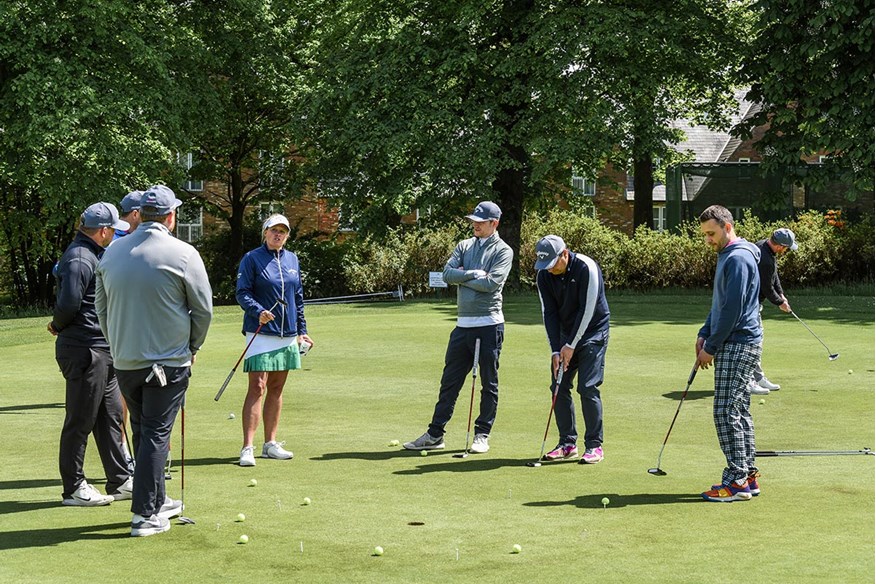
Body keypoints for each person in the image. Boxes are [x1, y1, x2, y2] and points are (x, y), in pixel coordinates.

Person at [96, 185, 213, 536]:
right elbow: (203, 310)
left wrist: (117, 345)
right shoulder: (183, 253)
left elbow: (102, 310)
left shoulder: (112, 252)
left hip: (126, 361)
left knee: (143, 430)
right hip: (168, 361)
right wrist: (193, 345)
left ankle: (158, 501)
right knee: (156, 435)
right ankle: (145, 515)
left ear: (140, 215)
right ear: (170, 217)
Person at [404, 201, 513, 453]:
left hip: (489, 324)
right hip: (462, 325)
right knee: (449, 381)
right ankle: (435, 435)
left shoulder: (503, 251)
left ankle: (482, 435)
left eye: (480, 221)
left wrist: (464, 276)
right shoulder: (464, 245)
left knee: (489, 382)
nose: (474, 224)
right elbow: (447, 274)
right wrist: (474, 273)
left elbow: (492, 284)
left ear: (493, 224)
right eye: (473, 220)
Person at [48, 202, 133, 507]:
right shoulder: (80, 258)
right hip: (84, 349)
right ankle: (73, 487)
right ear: (102, 231)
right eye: (114, 230)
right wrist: (57, 325)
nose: (115, 235)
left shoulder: (93, 254)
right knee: (80, 419)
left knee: (110, 417)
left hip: (101, 347)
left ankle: (121, 480)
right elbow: (69, 305)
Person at [696, 205, 763, 502]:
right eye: (705, 235)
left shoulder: (737, 258)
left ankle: (736, 482)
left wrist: (710, 347)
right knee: (739, 408)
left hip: (738, 342)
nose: (708, 240)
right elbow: (719, 305)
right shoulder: (730, 255)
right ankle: (747, 475)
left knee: (725, 411)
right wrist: (704, 331)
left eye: (711, 233)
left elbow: (733, 311)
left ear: (726, 226)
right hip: (738, 340)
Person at [235, 214, 313, 467]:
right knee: (257, 387)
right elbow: (242, 292)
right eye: (274, 230)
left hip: (288, 332)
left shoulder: (292, 259)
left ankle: (270, 444)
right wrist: (258, 311)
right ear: (265, 232)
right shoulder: (252, 258)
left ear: (287, 235)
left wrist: (302, 330)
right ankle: (248, 447)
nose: (278, 234)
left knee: (277, 388)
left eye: (283, 231)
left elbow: (297, 298)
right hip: (260, 331)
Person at [533, 235, 610, 464]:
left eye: (552, 264)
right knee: (559, 385)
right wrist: (556, 350)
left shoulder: (587, 268)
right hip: (566, 335)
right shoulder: (544, 276)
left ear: (564, 254)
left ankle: (594, 446)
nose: (549, 270)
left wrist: (571, 345)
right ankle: (567, 443)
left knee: (587, 387)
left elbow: (586, 311)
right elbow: (549, 313)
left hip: (594, 332)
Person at [750, 228, 797, 395]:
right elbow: (767, 287)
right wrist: (779, 302)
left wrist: (782, 294)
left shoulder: (765, 247)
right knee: (753, 342)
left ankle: (758, 377)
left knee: (756, 341)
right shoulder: (765, 259)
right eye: (786, 248)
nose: (786, 251)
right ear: (780, 246)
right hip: (749, 305)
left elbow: (773, 276)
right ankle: (750, 381)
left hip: (753, 303)